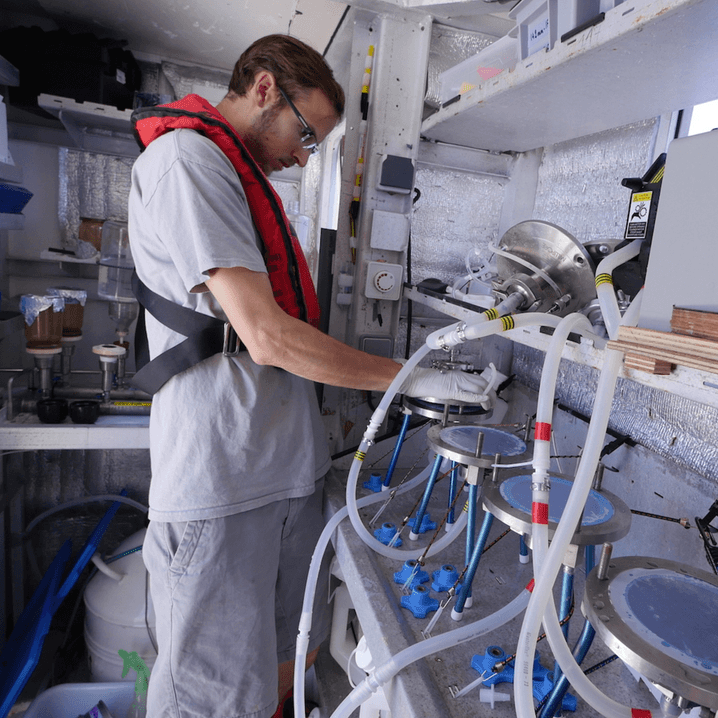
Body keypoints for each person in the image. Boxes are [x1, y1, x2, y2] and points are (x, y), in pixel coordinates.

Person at [127, 35, 494, 718]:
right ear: (264, 88)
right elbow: (263, 336)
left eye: (312, 145)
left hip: (282, 477)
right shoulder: (187, 161)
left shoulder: (241, 180)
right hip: (223, 482)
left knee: (280, 672)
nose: (302, 156)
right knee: (209, 699)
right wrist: (410, 377)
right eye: (305, 134)